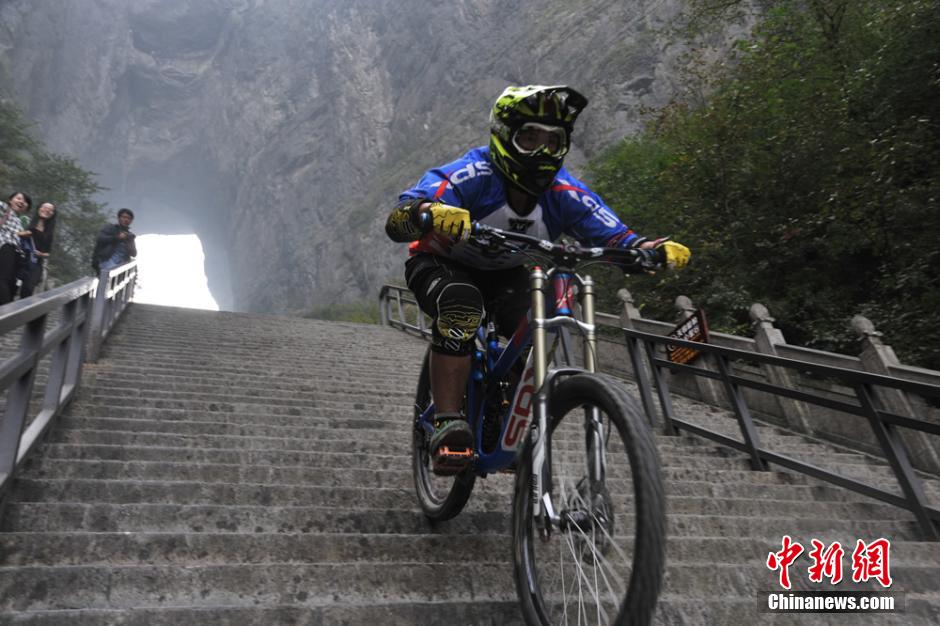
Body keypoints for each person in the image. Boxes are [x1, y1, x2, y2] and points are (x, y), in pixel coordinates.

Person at [385, 85, 691, 473]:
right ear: (504, 136)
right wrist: (427, 212)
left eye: (553, 141)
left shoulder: (565, 192)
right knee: (461, 306)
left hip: (506, 272)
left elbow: (617, 236)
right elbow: (399, 218)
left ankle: (506, 416)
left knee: (540, 322)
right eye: (529, 138)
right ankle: (447, 420)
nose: (542, 151)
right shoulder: (472, 174)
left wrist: (649, 249)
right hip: (440, 262)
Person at [0, 191, 33, 304]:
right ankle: (8, 310)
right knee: (3, 280)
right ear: (10, 200)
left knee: (11, 284)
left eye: (25, 201)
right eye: (19, 198)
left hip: (18, 254)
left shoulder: (24, 221)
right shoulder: (5, 209)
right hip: (6, 247)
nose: (22, 202)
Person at [18, 202, 56, 298]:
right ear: (39, 208)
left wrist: (41, 254)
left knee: (28, 289)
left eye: (50, 210)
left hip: (35, 263)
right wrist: (22, 234)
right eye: (45, 207)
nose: (47, 210)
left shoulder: (49, 233)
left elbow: (48, 253)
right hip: (20, 258)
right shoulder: (26, 221)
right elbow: (13, 233)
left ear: (52, 214)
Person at [93, 208, 137, 273]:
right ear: (119, 218)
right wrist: (117, 237)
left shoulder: (130, 236)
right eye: (124, 217)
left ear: (131, 221)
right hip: (106, 263)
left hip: (121, 267)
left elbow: (134, 254)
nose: (126, 220)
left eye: (129, 218)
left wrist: (129, 242)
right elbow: (100, 238)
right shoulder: (110, 228)